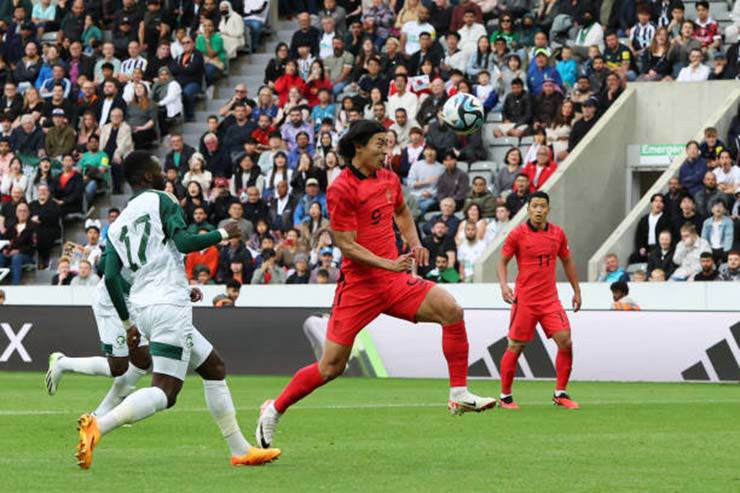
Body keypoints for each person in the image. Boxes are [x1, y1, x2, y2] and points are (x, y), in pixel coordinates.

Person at [255, 120, 495, 449]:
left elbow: (402, 212)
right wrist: (388, 262)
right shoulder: (341, 188)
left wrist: (414, 243)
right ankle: (274, 408)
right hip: (359, 289)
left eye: (388, 142)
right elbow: (346, 244)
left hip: (394, 281)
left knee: (451, 310)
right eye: (379, 143)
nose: (386, 149)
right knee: (331, 367)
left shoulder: (388, 178)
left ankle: (458, 394)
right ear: (358, 147)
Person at [73, 151, 280, 469]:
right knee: (165, 391)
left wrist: (129, 324)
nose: (164, 173)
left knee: (214, 368)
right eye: (158, 169)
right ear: (146, 177)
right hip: (168, 305)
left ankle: (240, 449)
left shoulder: (117, 225)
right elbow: (183, 243)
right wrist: (224, 233)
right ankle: (100, 424)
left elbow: (112, 277)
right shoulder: (162, 199)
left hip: (142, 308)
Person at [497, 191, 581, 409]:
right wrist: (504, 285)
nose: (538, 210)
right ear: (528, 209)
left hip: (550, 300)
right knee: (515, 346)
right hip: (524, 300)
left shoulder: (558, 234)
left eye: (542, 206)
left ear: (548, 209)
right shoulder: (517, 234)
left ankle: (560, 393)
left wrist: (576, 290)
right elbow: (502, 262)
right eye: (534, 206)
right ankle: (505, 396)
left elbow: (568, 262)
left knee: (565, 341)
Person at [630, 193, 673, 263]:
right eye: (656, 201)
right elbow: (639, 236)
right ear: (651, 204)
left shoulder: (667, 219)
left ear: (663, 205)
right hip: (646, 248)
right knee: (633, 257)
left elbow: (668, 236)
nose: (658, 203)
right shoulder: (644, 219)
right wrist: (641, 248)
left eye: (661, 201)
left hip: (660, 248)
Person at [0, 201, 35, 284]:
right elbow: (5, 240)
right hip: (10, 254)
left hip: (27, 256)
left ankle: (15, 286)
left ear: (28, 213)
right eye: (20, 211)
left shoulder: (33, 226)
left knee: (16, 258)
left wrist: (19, 251)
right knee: (0, 256)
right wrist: (5, 250)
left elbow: (34, 245)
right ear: (16, 213)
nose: (22, 213)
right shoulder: (11, 226)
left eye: (24, 211)